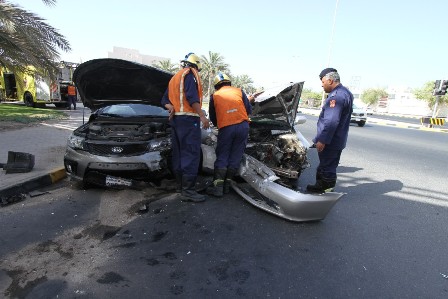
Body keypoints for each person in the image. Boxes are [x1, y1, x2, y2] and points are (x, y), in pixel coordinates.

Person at [161, 52, 210, 202]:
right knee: (190, 153)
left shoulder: (175, 77)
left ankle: (180, 186)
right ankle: (188, 191)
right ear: (196, 65)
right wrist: (202, 115)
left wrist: (172, 108)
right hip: (189, 120)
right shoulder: (190, 74)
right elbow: (192, 97)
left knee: (179, 153)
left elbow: (164, 100)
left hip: (176, 120)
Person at [307, 68, 353, 193]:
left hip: (330, 141)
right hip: (337, 139)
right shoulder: (345, 92)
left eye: (323, 82)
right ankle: (323, 187)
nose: (322, 85)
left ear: (330, 80)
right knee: (328, 165)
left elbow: (331, 121)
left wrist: (322, 140)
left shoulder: (336, 96)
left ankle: (325, 191)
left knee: (327, 167)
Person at [206, 73, 252, 197]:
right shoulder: (239, 91)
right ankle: (227, 185)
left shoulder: (214, 96)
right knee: (236, 155)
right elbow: (248, 110)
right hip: (243, 126)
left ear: (216, 86)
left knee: (223, 155)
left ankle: (218, 188)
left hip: (226, 128)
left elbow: (213, 116)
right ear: (229, 82)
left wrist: (219, 124)